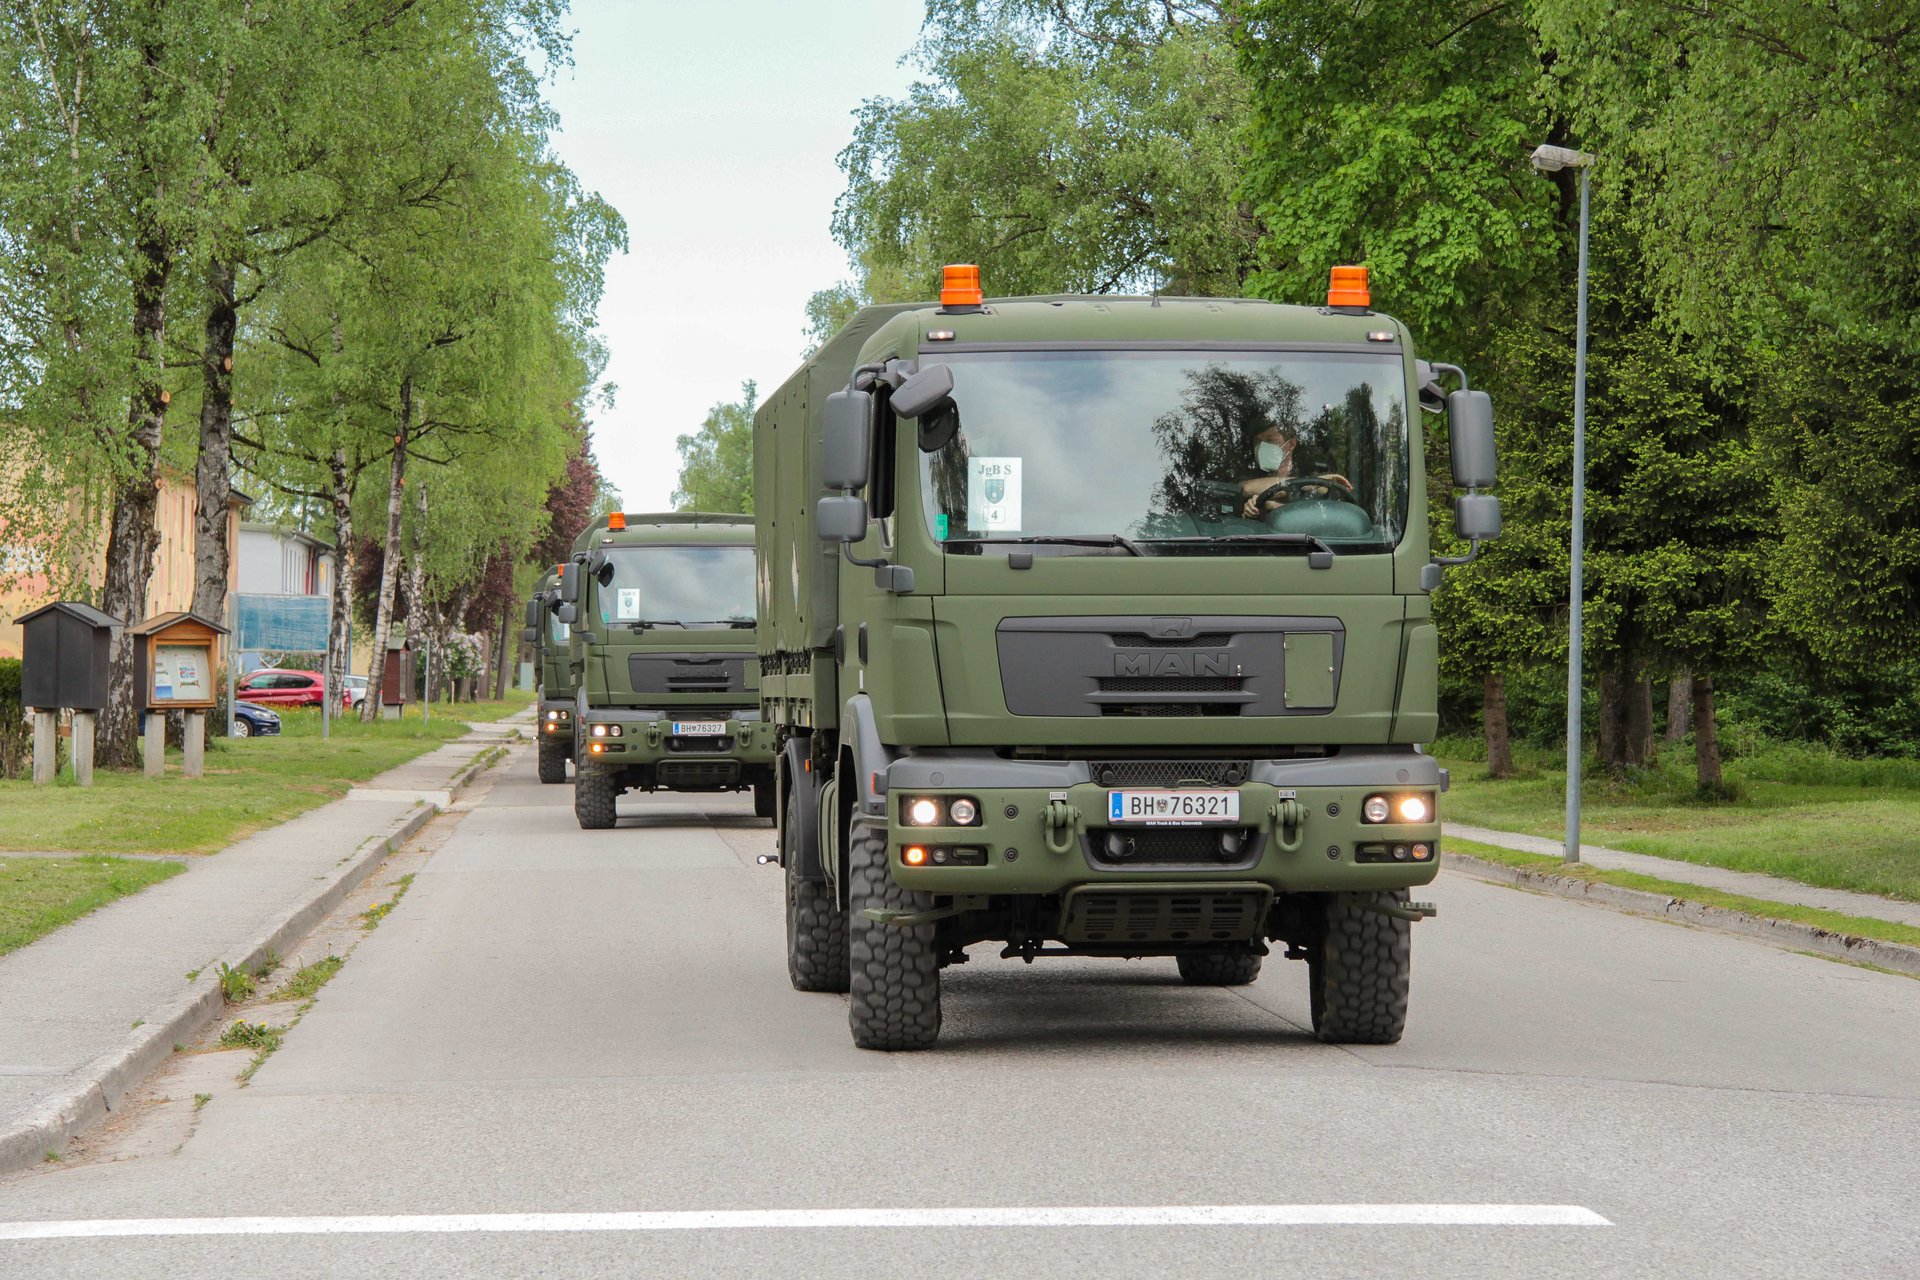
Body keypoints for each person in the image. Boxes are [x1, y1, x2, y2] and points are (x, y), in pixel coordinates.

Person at [1237, 426, 1354, 517]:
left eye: (1270, 440)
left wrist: (1271, 505)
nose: (1262, 446)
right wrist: (1311, 483)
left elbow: (1319, 515)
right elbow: (1245, 488)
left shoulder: (1314, 470)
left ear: (1291, 444)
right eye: (1257, 441)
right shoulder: (1250, 472)